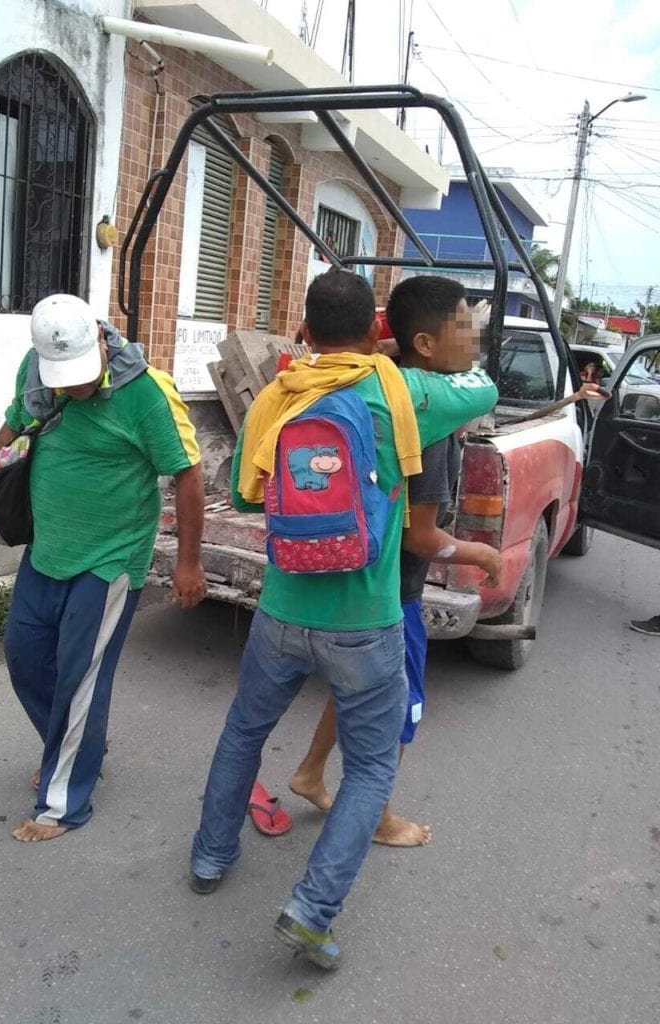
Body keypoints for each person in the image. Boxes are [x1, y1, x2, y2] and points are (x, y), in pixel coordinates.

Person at [188, 269, 498, 970]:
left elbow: (245, 493)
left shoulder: (278, 394)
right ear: (374, 330)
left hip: (281, 609)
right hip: (365, 621)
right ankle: (311, 911)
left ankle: (209, 857)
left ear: (304, 331)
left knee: (244, 732)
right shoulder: (403, 392)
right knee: (370, 768)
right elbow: (482, 387)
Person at [0, 294, 207, 843]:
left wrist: (188, 562)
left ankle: (62, 805)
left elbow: (188, 474)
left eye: (80, 374)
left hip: (110, 560)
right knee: (25, 658)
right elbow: (13, 426)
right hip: (46, 549)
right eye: (62, 377)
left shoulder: (145, 393)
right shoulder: (35, 370)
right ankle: (80, 744)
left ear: (101, 339)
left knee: (79, 680)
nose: (71, 387)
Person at [289, 277, 502, 848]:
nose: (475, 337)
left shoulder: (382, 385)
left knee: (358, 687)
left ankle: (310, 771)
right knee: (395, 711)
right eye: (465, 326)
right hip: (395, 593)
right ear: (426, 344)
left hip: (356, 573)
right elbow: (420, 536)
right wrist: (479, 553)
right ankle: (379, 817)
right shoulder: (431, 421)